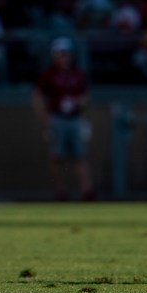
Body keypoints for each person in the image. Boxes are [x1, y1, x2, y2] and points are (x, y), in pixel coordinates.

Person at [32, 37, 94, 201]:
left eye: (66, 54)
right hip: (57, 118)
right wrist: (45, 119)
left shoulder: (77, 74)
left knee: (80, 156)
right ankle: (61, 191)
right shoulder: (49, 75)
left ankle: (86, 190)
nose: (64, 57)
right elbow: (37, 97)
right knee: (57, 157)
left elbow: (85, 96)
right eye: (60, 54)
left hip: (74, 118)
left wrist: (81, 105)